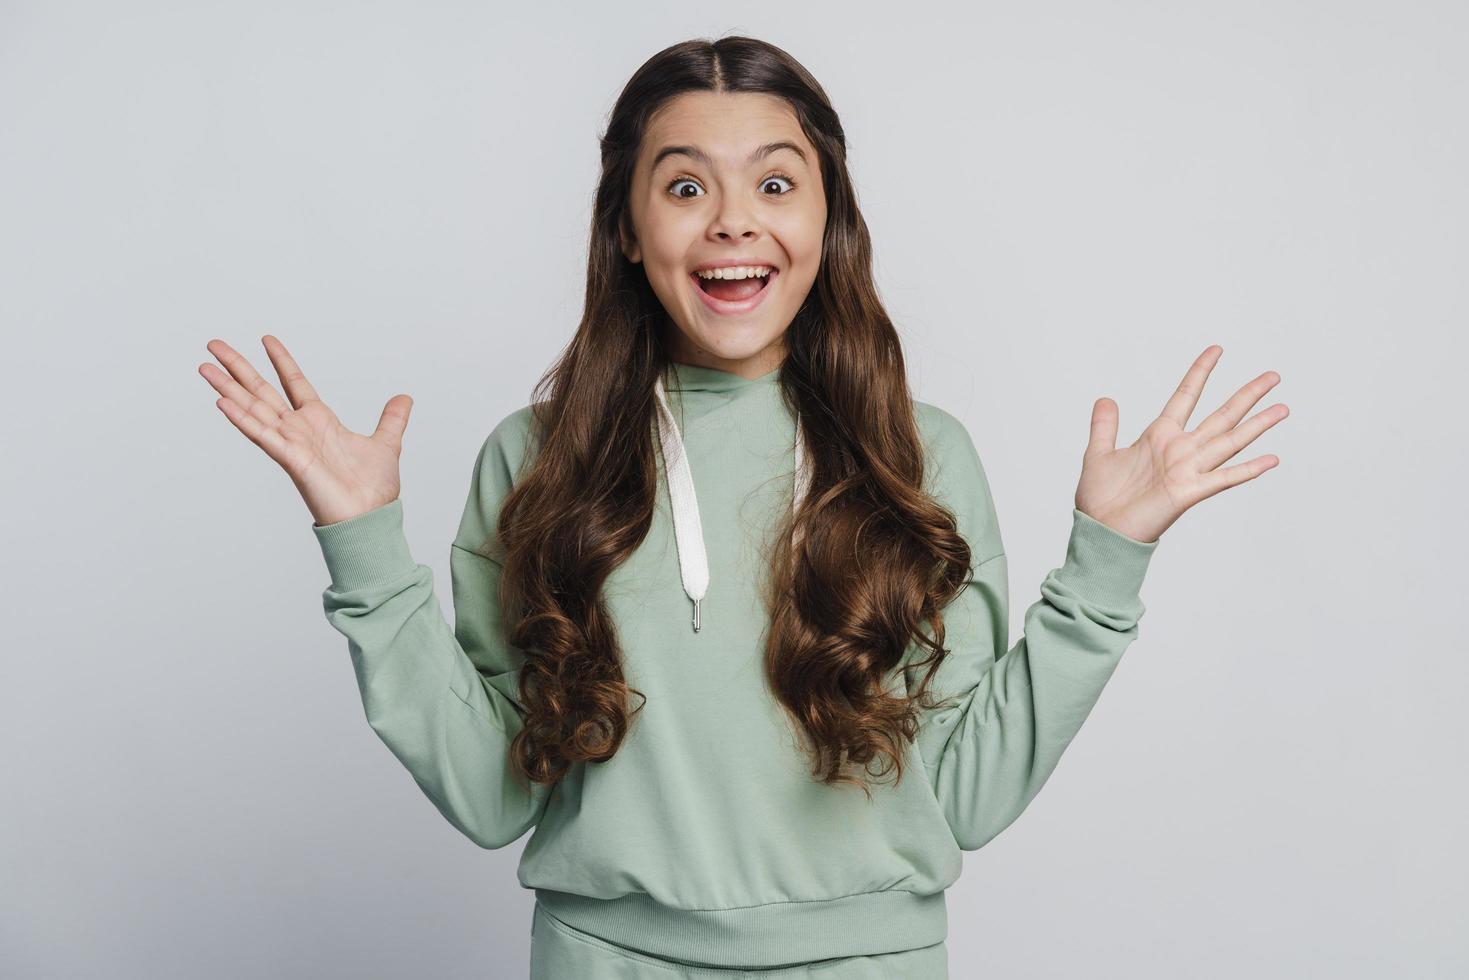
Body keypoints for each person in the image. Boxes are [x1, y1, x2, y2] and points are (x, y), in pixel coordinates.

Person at [197, 34, 1287, 980]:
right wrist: (364, 550)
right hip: (602, 958)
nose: (731, 223)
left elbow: (966, 795)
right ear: (625, 226)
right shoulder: (534, 461)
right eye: (683, 187)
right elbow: (491, 793)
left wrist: (1105, 565)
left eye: (774, 184)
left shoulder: (918, 456)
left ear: (828, 217)